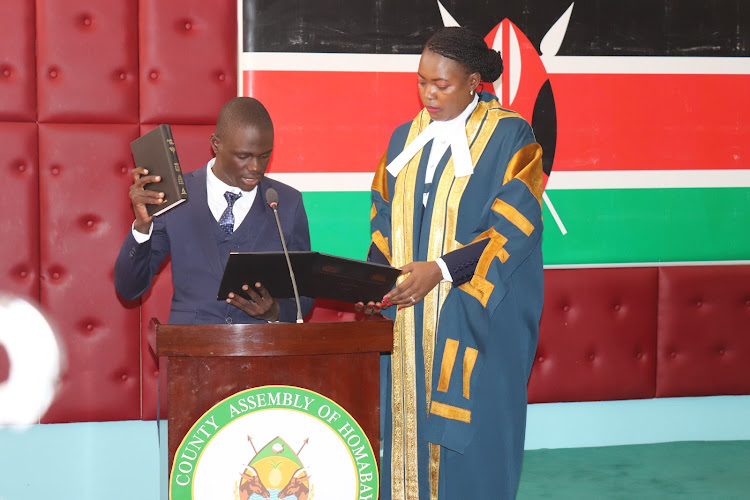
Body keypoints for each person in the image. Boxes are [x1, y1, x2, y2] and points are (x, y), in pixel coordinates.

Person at [367, 27, 544, 499]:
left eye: (441, 84)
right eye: (422, 81)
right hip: (408, 321)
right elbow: (382, 220)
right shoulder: (405, 138)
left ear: (473, 81)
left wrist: (440, 270)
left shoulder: (512, 135)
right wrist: (375, 282)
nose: (428, 93)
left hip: (477, 318)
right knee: (404, 434)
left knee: (477, 447)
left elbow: (516, 226)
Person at [115, 97, 314, 324]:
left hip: (261, 352)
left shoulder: (287, 202)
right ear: (216, 144)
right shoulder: (175, 197)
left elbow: (304, 294)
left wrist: (276, 312)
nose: (256, 167)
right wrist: (142, 227)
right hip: (189, 352)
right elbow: (129, 288)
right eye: (243, 156)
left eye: (264, 156)